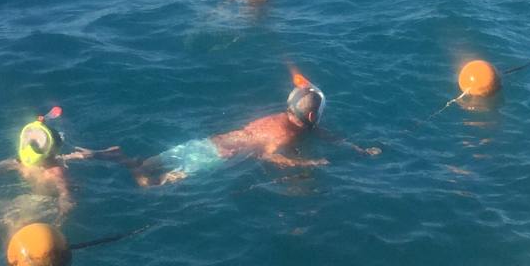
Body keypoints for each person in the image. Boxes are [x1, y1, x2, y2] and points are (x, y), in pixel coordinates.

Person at [105, 76, 380, 186]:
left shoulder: (280, 118)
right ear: (310, 116)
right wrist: (308, 163)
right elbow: (269, 156)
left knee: (146, 165)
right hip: (220, 156)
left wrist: (357, 148)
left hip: (213, 141)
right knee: (151, 186)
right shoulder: (288, 135)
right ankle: (132, 170)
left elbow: (322, 132)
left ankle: (119, 157)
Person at [0, 108, 90, 216]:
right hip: (39, 200)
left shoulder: (31, 165)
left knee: (10, 213)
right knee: (9, 211)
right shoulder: (49, 169)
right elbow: (65, 193)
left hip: (36, 200)